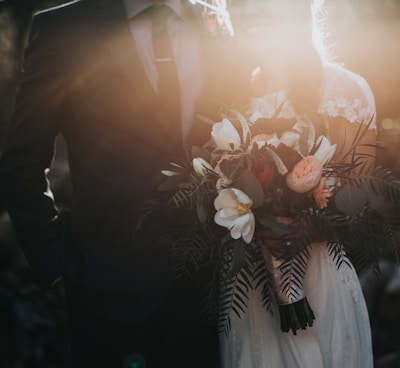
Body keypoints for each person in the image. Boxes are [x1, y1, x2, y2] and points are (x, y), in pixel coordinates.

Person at [0, 0, 227, 366]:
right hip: (107, 295)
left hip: (211, 297)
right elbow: (21, 161)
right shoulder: (64, 30)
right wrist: (58, 268)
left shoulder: (216, 23)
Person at [219, 0, 376, 367]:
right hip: (246, 295)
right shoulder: (227, 99)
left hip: (319, 282)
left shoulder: (342, 90)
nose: (248, 9)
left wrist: (302, 224)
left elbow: (362, 201)